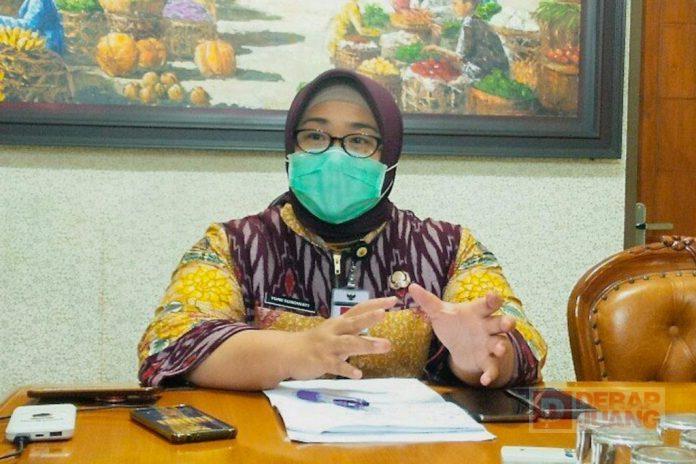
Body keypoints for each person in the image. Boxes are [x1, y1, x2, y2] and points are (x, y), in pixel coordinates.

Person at [137, 69, 546, 391]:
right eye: (315, 136)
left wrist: (479, 358)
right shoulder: (234, 245)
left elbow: (517, 343)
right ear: (291, 148)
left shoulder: (448, 249)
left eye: (359, 140)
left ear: (389, 156)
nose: (335, 155)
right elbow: (171, 342)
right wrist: (296, 351)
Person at [427, 0, 508, 81]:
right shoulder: (478, 22)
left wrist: (436, 48)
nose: (453, 7)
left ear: (468, 5)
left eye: (455, 4)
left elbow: (458, 57)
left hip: (483, 75)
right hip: (494, 72)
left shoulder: (468, 24)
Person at [0, 0, 64, 54]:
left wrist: (2, 20)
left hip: (46, 44)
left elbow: (29, 25)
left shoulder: (37, 1)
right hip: (46, 40)